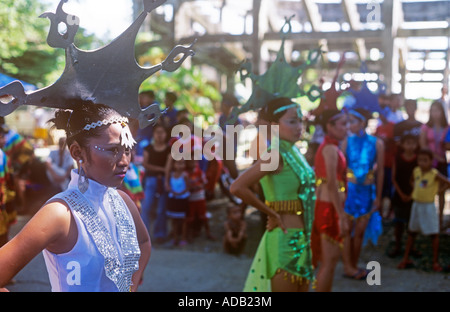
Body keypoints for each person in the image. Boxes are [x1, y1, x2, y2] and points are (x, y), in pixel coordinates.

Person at [0, 102, 151, 292]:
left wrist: (130, 287)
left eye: (127, 149)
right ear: (77, 152)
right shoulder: (60, 213)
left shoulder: (123, 201)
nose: (124, 161)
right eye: (113, 150)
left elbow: (144, 243)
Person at [230, 97, 316, 292]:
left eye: (300, 121)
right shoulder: (274, 155)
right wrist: (270, 212)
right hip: (284, 240)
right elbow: (237, 187)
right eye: (292, 121)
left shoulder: (294, 152)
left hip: (305, 239)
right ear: (274, 126)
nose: (299, 127)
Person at [341, 108, 384, 279]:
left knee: (359, 232)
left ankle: (354, 264)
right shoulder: (346, 142)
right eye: (348, 122)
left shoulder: (377, 143)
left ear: (362, 122)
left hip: (366, 192)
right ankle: (347, 266)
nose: (349, 125)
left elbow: (380, 172)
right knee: (347, 231)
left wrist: (379, 196)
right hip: (350, 192)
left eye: (352, 121)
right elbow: (341, 169)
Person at [311, 109, 350, 291]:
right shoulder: (329, 149)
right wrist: (341, 216)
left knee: (331, 261)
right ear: (329, 126)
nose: (346, 128)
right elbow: (332, 185)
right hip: (328, 209)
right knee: (328, 262)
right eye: (343, 124)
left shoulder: (331, 146)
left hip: (328, 207)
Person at [398, 148, 450, 272]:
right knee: (412, 232)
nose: (422, 163)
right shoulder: (416, 171)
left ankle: (435, 262)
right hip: (417, 205)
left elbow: (447, 183)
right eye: (420, 160)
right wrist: (415, 191)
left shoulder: (434, 173)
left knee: (434, 234)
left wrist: (438, 191)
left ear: (431, 161)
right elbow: (412, 181)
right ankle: (405, 259)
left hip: (429, 206)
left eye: (425, 160)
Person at [419, 101, 449, 231]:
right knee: (425, 189)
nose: (435, 113)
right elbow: (423, 144)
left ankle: (440, 220)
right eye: (433, 111)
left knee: (441, 191)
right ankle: (425, 219)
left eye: (438, 111)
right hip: (429, 164)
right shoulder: (426, 127)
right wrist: (435, 157)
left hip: (442, 163)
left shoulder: (447, 127)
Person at [388, 132, 418, 258]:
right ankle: (398, 246)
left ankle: (411, 247)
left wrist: (412, 194)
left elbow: (419, 179)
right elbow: (394, 178)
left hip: (414, 195)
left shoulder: (418, 159)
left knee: (412, 223)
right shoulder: (398, 158)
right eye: (407, 143)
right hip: (400, 194)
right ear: (403, 145)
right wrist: (401, 194)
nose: (410, 146)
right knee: (399, 223)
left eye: (412, 143)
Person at [141, 122, 171, 244]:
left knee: (161, 209)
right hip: (150, 180)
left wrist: (167, 181)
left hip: (164, 180)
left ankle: (160, 234)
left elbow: (168, 168)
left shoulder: (169, 150)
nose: (159, 135)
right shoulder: (148, 148)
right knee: (146, 207)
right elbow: (145, 164)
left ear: (165, 134)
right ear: (153, 134)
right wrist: (161, 169)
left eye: (162, 132)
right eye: (157, 132)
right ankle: (144, 235)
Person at [186, 159, 214, 241]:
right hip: (191, 198)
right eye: (190, 162)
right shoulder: (186, 174)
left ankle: (208, 233)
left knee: (203, 216)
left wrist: (198, 186)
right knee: (191, 217)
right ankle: (190, 234)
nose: (193, 163)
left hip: (200, 197)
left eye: (194, 162)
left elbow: (204, 183)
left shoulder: (200, 172)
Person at [166, 158, 190, 247]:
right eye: (178, 163)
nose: (180, 166)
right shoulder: (171, 175)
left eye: (182, 163)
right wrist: (173, 192)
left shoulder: (185, 175)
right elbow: (169, 186)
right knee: (174, 220)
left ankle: (183, 238)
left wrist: (180, 193)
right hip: (174, 200)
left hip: (182, 200)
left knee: (183, 220)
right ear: (174, 165)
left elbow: (188, 187)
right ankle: (175, 238)